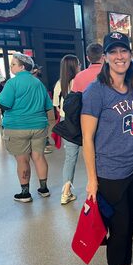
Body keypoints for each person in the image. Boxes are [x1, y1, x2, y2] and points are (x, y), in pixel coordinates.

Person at [81, 31, 133, 265]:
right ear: (105, 57)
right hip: (109, 173)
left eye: (124, 51)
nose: (120, 56)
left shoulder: (131, 88)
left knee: (130, 223)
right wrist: (92, 179)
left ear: (130, 56)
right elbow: (87, 138)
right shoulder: (96, 91)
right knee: (118, 228)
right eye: (114, 52)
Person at [0, 52, 53, 202]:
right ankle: (44, 189)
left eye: (13, 64)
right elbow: (48, 106)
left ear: (22, 67)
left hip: (17, 127)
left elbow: (4, 104)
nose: (11, 67)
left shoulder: (12, 83)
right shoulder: (38, 83)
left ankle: (25, 193)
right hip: (39, 126)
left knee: (22, 160)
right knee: (39, 157)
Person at [53, 55, 81, 205]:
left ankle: (65, 193)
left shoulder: (60, 84)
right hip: (85, 121)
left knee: (70, 158)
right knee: (96, 155)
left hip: (68, 123)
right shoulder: (81, 80)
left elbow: (57, 107)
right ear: (75, 66)